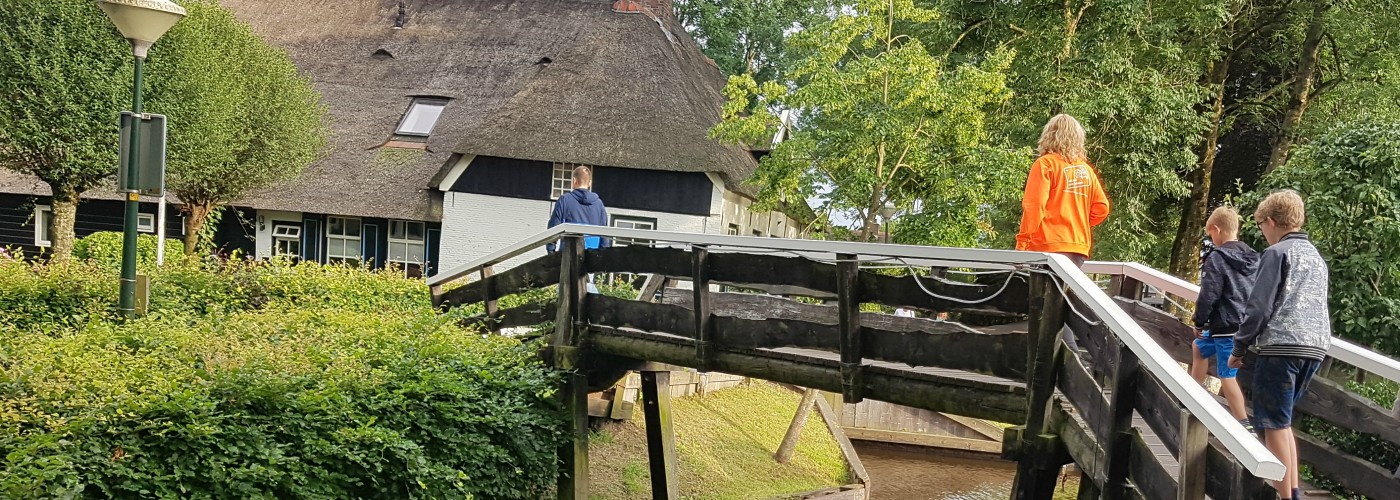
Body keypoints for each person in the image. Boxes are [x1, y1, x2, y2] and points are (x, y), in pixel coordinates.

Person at [1228, 189, 1331, 500]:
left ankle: (1285, 497)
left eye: (1260, 225)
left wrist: (1239, 348)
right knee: (1282, 422)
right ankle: (1294, 491)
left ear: (1270, 221)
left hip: (1282, 346)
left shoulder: (1276, 254)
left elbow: (1258, 307)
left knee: (1270, 422)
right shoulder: (1316, 257)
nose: (1262, 232)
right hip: (1314, 348)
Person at [1190, 206, 1256, 430]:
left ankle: (1243, 424)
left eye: (1210, 234)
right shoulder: (1253, 257)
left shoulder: (1217, 258)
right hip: (1244, 323)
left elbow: (1209, 294)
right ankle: (1193, 396)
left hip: (1227, 326)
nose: (1211, 239)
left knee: (1226, 374)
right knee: (1199, 347)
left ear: (1216, 229)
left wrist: (1199, 321)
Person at [1015, 114, 1111, 268]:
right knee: (1064, 291)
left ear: (1049, 135)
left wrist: (1022, 244)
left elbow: (1034, 206)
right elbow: (1102, 208)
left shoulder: (1045, 164)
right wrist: (1078, 223)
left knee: (1041, 292)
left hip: (1047, 246)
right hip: (1077, 247)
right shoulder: (1086, 170)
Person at [545, 166, 611, 253]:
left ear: (574, 181)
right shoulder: (599, 205)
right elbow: (605, 238)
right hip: (592, 258)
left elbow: (553, 229)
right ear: (590, 183)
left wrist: (551, 252)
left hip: (568, 256)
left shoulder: (564, 200)